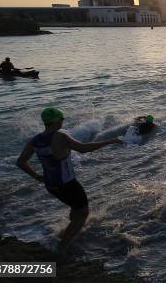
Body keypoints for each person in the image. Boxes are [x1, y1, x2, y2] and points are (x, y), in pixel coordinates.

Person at [16, 107, 122, 254]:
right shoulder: (60, 136)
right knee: (83, 213)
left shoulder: (35, 140)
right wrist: (111, 141)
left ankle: (67, 232)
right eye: (62, 119)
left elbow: (21, 162)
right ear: (57, 121)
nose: (62, 122)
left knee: (75, 208)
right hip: (68, 184)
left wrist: (37, 176)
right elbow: (83, 149)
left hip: (51, 185)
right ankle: (62, 246)